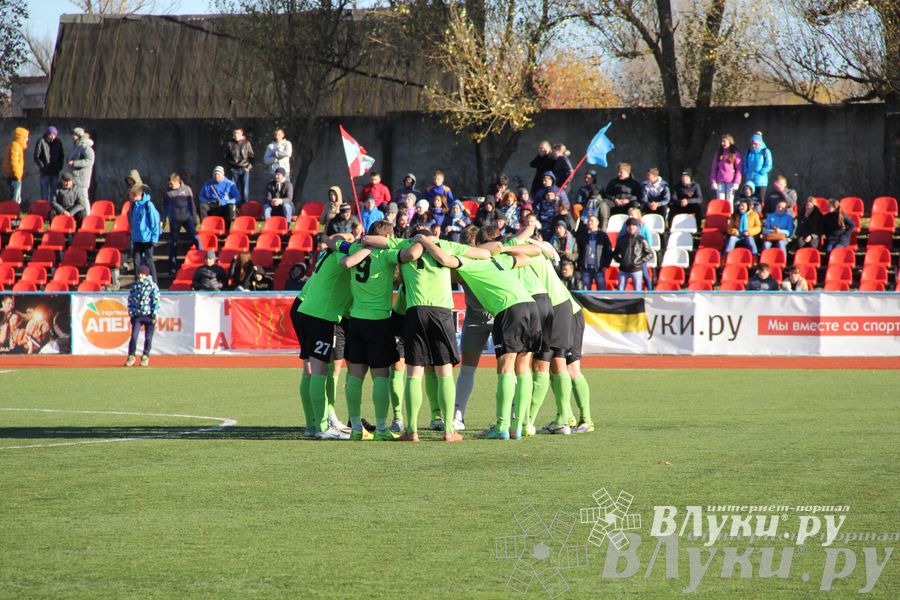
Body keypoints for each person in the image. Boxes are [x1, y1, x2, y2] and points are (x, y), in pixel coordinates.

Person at [362, 229, 490, 442]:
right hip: (441, 312)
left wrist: (413, 241)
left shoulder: (404, 244)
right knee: (444, 372)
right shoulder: (446, 245)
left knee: (414, 372)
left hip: (415, 312)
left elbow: (367, 239)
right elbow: (484, 254)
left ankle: (411, 431)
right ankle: (449, 430)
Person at [418, 227, 539, 440]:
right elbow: (524, 258)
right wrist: (499, 250)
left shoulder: (470, 263)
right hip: (530, 305)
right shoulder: (499, 260)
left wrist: (424, 240)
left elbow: (445, 260)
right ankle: (518, 426)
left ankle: (502, 426)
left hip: (508, 310)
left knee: (505, 369)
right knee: (523, 369)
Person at [336, 220, 419, 441]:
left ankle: (355, 427)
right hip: (379, 322)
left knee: (354, 375)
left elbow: (335, 243)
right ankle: (382, 429)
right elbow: (410, 253)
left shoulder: (355, 250)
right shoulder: (387, 254)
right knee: (381, 376)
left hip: (356, 320)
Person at [291, 234, 356, 440]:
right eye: (349, 239)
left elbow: (332, 239)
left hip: (305, 308)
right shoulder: (341, 253)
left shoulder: (326, 252)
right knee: (320, 368)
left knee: (311, 368)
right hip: (320, 315)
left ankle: (314, 423)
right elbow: (348, 258)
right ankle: (321, 425)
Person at [163, 172, 201, 273]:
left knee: (196, 238)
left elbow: (192, 205)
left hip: (187, 219)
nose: (169, 185)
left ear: (177, 181)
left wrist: (194, 218)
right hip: (174, 220)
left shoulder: (187, 189)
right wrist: (164, 220)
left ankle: (201, 258)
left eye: (171, 183)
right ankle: (173, 266)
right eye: (169, 184)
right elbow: (165, 208)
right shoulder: (168, 192)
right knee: (174, 243)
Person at [125, 264, 160, 368]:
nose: (140, 276)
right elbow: (131, 299)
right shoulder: (135, 285)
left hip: (149, 315)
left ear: (146, 274)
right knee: (134, 336)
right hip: (137, 315)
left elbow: (156, 300)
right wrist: (131, 311)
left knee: (148, 338)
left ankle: (145, 356)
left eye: (142, 273)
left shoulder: (152, 286)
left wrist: (155, 314)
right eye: (139, 273)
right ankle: (131, 356)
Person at [128, 183, 161, 282]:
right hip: (137, 238)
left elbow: (155, 222)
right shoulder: (134, 205)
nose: (130, 198)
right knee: (136, 261)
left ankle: (154, 283)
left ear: (137, 195)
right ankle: (138, 282)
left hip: (147, 239)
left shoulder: (148, 205)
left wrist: (154, 238)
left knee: (149, 261)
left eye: (131, 195)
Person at [613, 217, 654, 291]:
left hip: (636, 270)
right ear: (627, 228)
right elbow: (615, 253)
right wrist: (621, 260)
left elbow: (650, 254)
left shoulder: (641, 239)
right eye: (629, 226)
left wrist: (640, 261)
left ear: (637, 227)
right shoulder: (622, 240)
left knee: (637, 291)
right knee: (620, 291)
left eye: (633, 225)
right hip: (623, 269)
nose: (631, 227)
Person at [576, 214, 612, 290]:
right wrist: (580, 264)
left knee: (601, 290)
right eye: (588, 221)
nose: (590, 223)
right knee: (585, 290)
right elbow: (579, 250)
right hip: (586, 268)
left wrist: (606, 265)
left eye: (592, 221)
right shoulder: (583, 235)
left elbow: (608, 251)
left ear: (597, 222)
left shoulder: (602, 235)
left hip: (599, 268)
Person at [198, 166, 241, 231]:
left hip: (224, 205)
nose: (216, 175)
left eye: (218, 174)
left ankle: (226, 229)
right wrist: (207, 201)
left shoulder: (229, 184)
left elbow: (237, 197)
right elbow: (201, 196)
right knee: (202, 206)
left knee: (230, 207)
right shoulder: (207, 184)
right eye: (215, 174)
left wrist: (228, 202)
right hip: (212, 204)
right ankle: (205, 227)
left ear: (222, 174)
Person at [710, 134, 742, 207]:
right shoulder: (718, 153)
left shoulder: (735, 153)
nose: (722, 143)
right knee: (720, 200)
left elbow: (738, 169)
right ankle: (720, 217)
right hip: (720, 181)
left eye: (724, 142)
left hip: (731, 181)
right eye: (722, 142)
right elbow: (714, 168)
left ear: (730, 142)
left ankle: (729, 216)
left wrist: (737, 182)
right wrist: (713, 181)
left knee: (729, 201)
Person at [67, 127, 94, 212]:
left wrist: (75, 163)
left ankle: (88, 218)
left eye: (74, 135)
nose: (72, 136)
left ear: (79, 136)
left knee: (83, 199)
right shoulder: (77, 146)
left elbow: (90, 160)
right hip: (75, 178)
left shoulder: (85, 147)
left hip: (81, 178)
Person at [34, 126, 64, 202]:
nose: (53, 137)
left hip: (55, 172)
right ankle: (44, 210)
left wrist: (59, 167)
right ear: (48, 134)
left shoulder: (58, 142)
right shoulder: (41, 141)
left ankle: (53, 212)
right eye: (51, 135)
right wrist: (43, 166)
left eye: (54, 135)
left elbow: (61, 156)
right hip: (45, 173)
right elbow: (37, 156)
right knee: (44, 194)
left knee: (54, 194)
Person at [225, 127, 254, 202]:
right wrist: (230, 167)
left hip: (245, 168)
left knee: (245, 191)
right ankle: (234, 209)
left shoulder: (247, 143)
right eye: (234, 133)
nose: (236, 134)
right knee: (233, 190)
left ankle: (245, 209)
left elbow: (252, 156)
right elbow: (226, 157)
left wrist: (248, 167)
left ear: (241, 134)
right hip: (234, 169)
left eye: (237, 133)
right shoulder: (230, 143)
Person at [743, 131, 773, 203]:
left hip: (761, 181)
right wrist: (746, 172)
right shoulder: (748, 152)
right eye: (752, 143)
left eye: (755, 144)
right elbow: (744, 163)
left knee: (759, 200)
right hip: (749, 180)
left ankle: (759, 213)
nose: (753, 145)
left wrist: (761, 172)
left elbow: (769, 164)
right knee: (748, 200)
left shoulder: (765, 152)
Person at [2, 127, 28, 205]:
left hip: (13, 176)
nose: (27, 139)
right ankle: (12, 214)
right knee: (14, 198)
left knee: (15, 197)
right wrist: (18, 176)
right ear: (21, 137)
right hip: (14, 177)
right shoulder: (16, 146)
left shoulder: (15, 145)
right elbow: (14, 162)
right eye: (26, 137)